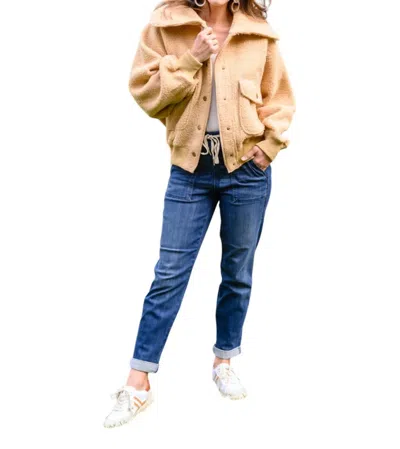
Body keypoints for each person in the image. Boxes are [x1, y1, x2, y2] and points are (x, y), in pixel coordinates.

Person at [104, 0, 295, 428]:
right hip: (189, 171)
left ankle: (224, 361)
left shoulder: (258, 32)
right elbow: (145, 93)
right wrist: (191, 58)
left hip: (246, 171)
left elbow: (279, 98)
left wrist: (269, 148)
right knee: (169, 273)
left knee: (237, 270)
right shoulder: (165, 26)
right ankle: (138, 382)